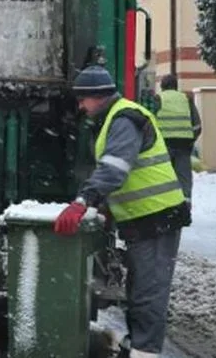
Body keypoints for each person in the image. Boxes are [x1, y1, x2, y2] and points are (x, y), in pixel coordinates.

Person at [53, 64, 189, 358]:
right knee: (139, 290)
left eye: (82, 99)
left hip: (157, 217)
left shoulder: (124, 119)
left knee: (149, 293)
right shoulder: (115, 118)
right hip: (147, 219)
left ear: (98, 96)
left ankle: (145, 352)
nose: (80, 105)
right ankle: (137, 347)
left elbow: (115, 170)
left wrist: (83, 201)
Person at [154, 73, 201, 211]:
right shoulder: (186, 99)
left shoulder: (158, 99)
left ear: (162, 87)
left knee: (163, 175)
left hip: (163, 145)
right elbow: (197, 126)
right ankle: (184, 205)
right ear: (176, 86)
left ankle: (163, 205)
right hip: (184, 145)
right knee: (183, 177)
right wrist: (190, 140)